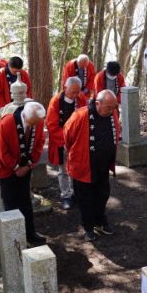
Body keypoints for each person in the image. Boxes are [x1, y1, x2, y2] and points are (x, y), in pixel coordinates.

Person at [64, 90, 120, 242]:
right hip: (83, 166)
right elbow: (67, 137)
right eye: (108, 107)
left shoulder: (112, 114)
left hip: (103, 165)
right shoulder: (80, 115)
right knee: (85, 198)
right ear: (97, 103)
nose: (112, 111)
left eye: (114, 107)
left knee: (102, 194)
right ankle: (88, 227)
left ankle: (100, 221)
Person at [0, 101, 47, 244]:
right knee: (10, 202)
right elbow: (1, 150)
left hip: (26, 166)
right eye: (31, 123)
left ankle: (30, 233)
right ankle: (14, 240)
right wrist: (16, 167)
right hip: (7, 168)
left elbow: (40, 143)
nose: (34, 126)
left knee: (25, 201)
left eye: (37, 123)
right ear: (24, 116)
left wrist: (28, 165)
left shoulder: (38, 121)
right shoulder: (7, 123)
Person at [46, 77, 87, 210]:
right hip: (62, 141)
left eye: (77, 92)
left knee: (78, 168)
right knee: (63, 169)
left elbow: (85, 117)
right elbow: (52, 125)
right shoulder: (55, 102)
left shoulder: (81, 98)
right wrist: (66, 142)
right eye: (73, 92)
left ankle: (77, 192)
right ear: (65, 88)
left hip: (78, 141)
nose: (75, 95)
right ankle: (66, 195)